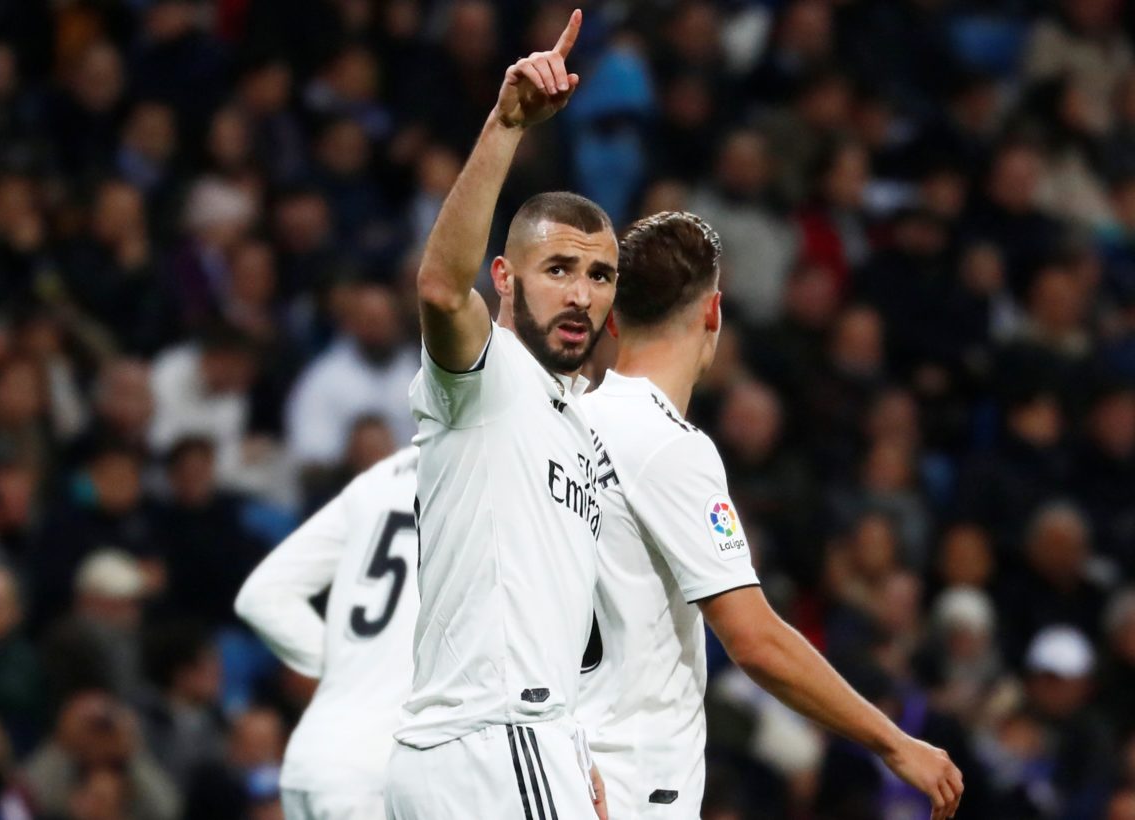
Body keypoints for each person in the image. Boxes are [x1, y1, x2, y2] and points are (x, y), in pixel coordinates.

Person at [578, 211, 964, 819]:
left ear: (613, 318)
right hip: (631, 779)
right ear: (713, 312)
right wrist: (893, 742)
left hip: (563, 765)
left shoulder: (567, 423)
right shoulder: (668, 445)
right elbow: (755, 640)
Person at [385, 10, 615, 819]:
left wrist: (575, 746)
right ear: (506, 279)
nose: (581, 294)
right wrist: (506, 124)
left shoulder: (575, 427)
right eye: (559, 268)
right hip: (495, 743)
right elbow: (441, 290)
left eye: (599, 275)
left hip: (513, 746)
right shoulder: (487, 375)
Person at [235, 446, 419, 820]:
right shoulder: (490, 475)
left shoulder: (381, 477)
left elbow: (262, 596)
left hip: (313, 756)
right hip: (380, 771)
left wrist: (348, 669)